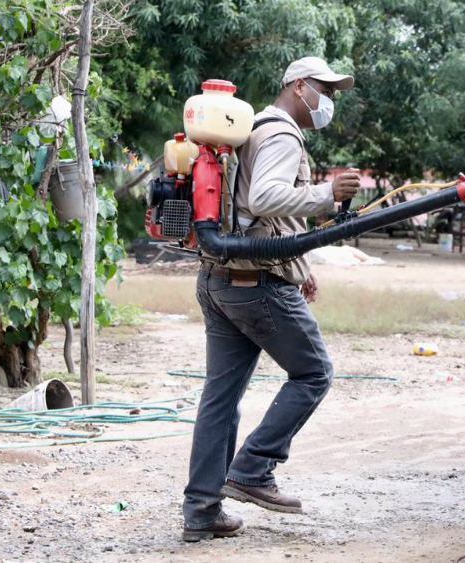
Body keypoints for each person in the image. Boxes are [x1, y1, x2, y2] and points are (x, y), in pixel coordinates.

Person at [181, 57, 360, 542]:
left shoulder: (252, 127)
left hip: (220, 279)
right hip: (256, 284)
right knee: (313, 372)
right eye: (325, 89)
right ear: (298, 85)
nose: (328, 101)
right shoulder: (281, 132)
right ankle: (253, 468)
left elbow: (261, 219)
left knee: (220, 398)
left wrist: (301, 266)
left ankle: (201, 511)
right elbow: (264, 199)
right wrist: (326, 193)